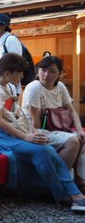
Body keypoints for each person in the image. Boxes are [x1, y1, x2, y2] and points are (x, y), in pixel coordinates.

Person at [0, 53, 85, 212]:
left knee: (47, 148)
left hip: (8, 131)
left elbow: (12, 117)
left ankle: (68, 191)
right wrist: (26, 136)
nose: (22, 76)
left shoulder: (6, 85)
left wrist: (30, 132)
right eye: (20, 73)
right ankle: (64, 194)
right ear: (8, 73)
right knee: (42, 150)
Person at [22, 56, 85, 193]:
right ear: (37, 71)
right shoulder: (34, 87)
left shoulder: (60, 86)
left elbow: (72, 110)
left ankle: (78, 182)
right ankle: (56, 183)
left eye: (52, 71)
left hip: (55, 128)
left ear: (59, 74)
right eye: (43, 70)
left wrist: (80, 130)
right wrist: (37, 136)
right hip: (34, 129)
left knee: (81, 139)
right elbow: (35, 122)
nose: (46, 75)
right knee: (73, 141)